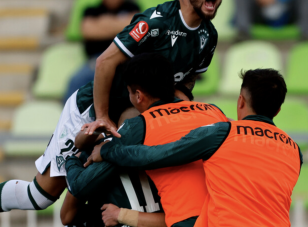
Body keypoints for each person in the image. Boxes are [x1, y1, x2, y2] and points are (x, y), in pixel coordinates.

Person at [0, 0, 225, 217]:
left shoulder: (209, 37)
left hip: (135, 113)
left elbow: (187, 81)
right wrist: (102, 117)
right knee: (41, 196)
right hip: (92, 108)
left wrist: (181, 109)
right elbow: (104, 62)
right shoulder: (156, 21)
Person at [94, 68, 303, 226]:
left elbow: (154, 155)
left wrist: (107, 150)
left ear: (240, 101)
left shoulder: (221, 133)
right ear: (277, 110)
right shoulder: (295, 150)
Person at [64, 53, 228, 227]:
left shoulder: (140, 125)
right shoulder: (213, 111)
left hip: (189, 221)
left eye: (129, 92)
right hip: (230, 215)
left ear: (138, 96)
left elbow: (80, 186)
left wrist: (72, 159)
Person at [64, 0, 140, 102]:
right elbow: (88, 30)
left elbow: (136, 29)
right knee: (76, 81)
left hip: (126, 59)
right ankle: (69, 121)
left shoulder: (132, 6)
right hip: (97, 59)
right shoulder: (91, 9)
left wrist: (102, 23)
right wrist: (120, 24)